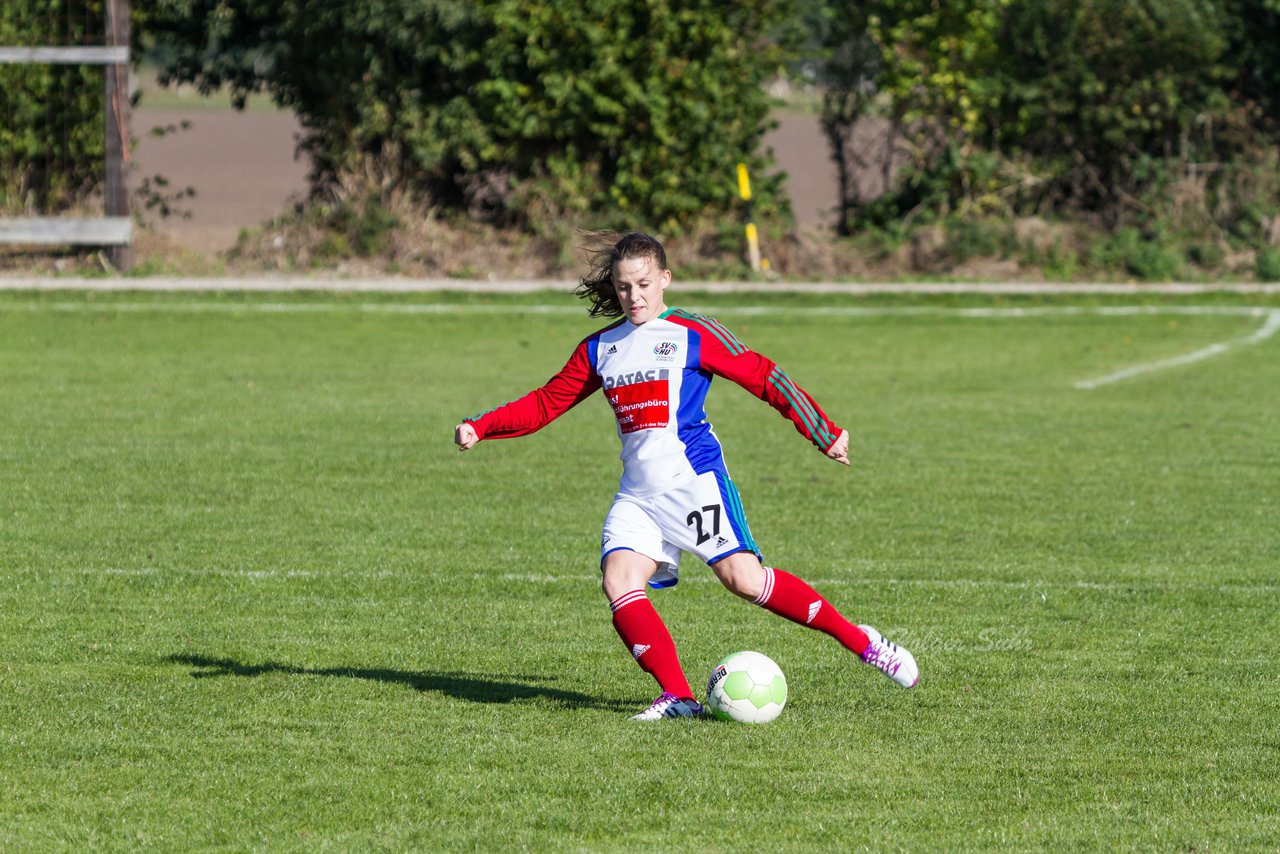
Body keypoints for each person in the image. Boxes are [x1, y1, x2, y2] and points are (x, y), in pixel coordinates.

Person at [454, 232, 918, 720]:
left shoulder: (693, 333)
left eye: (644, 284)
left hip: (693, 482)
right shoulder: (601, 348)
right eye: (624, 287)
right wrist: (481, 426)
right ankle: (679, 697)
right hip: (638, 493)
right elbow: (547, 403)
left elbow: (764, 375)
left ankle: (862, 642)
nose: (634, 297)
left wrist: (823, 431)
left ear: (665, 280)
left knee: (743, 580)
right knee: (619, 581)